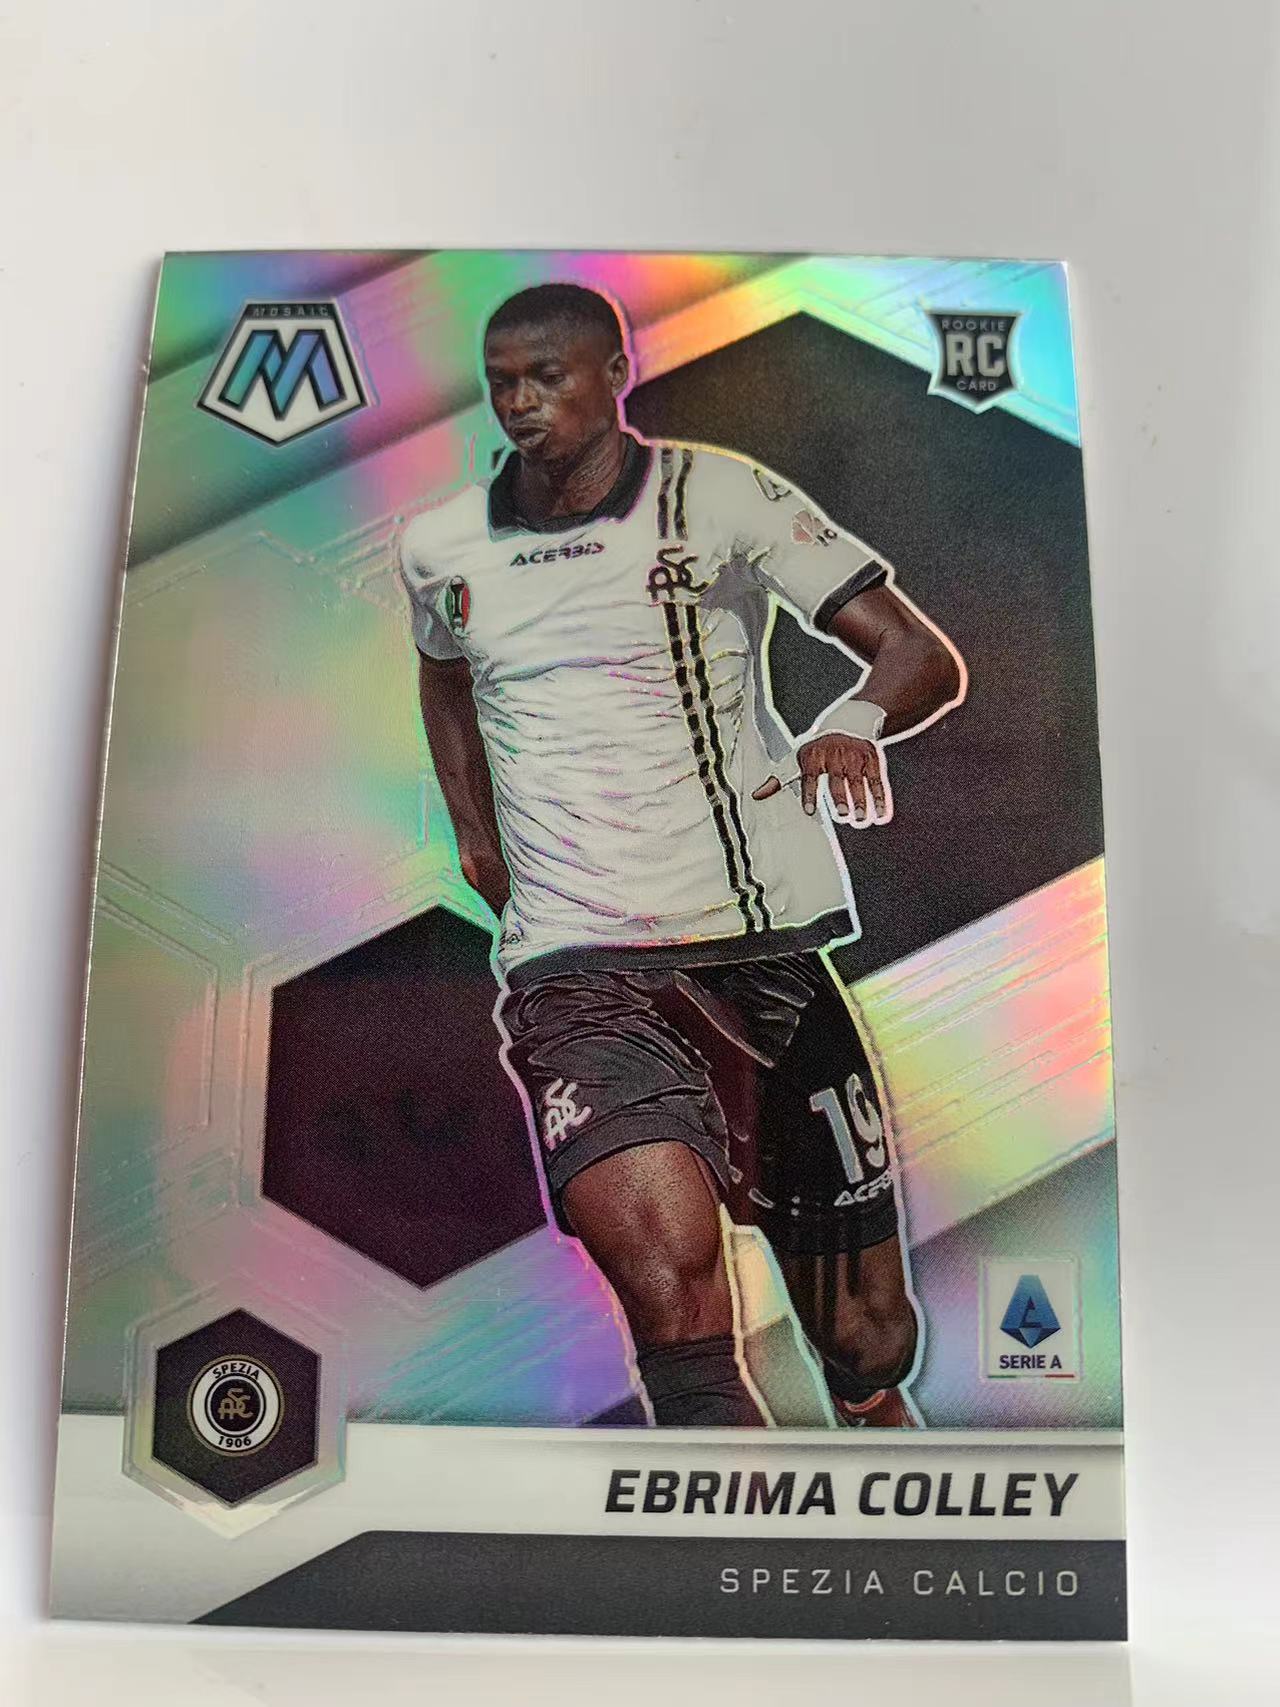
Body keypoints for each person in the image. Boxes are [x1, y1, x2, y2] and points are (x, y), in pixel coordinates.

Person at [398, 283, 965, 1427]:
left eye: (546, 377)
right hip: (578, 971)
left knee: (868, 1335)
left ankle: (872, 1428)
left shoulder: (719, 495)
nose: (520, 403)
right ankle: (728, 1528)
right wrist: (474, 836)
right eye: (501, 382)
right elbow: (446, 680)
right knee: (674, 1304)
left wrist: (853, 721)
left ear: (615, 373)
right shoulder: (440, 546)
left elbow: (917, 656)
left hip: (754, 952)